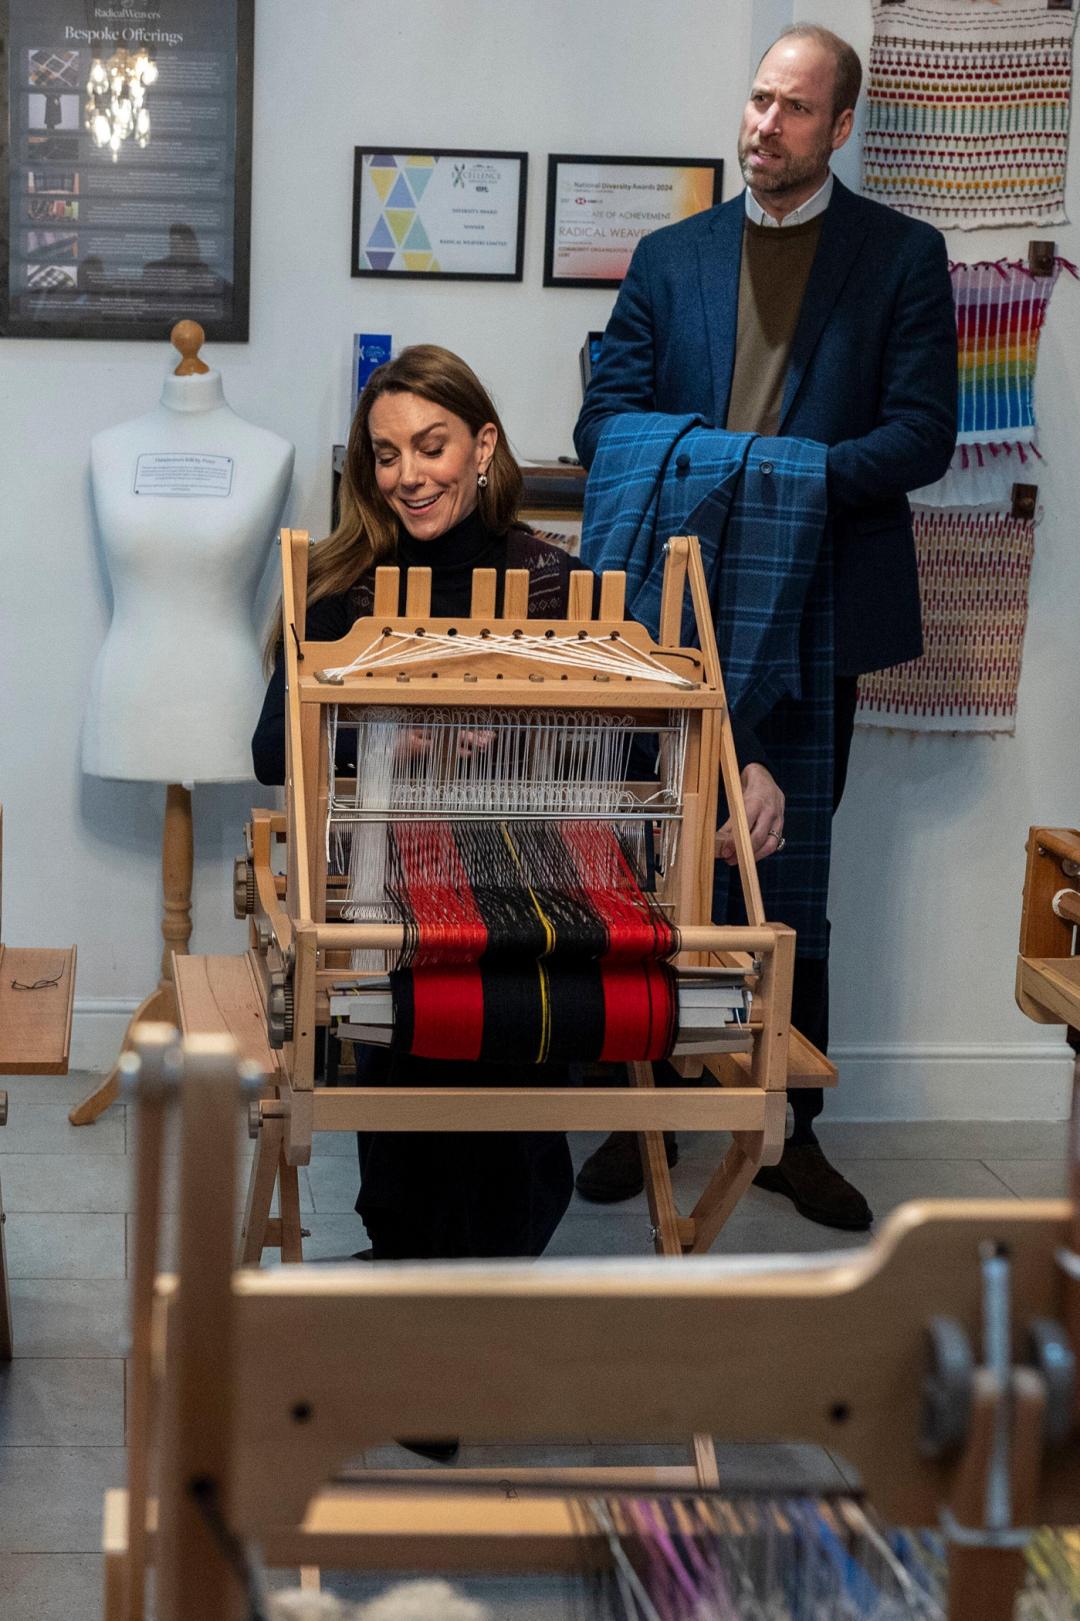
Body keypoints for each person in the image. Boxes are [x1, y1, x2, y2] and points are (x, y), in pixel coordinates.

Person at [572, 25, 958, 1229]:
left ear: (840, 126)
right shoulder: (669, 252)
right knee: (651, 857)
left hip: (819, 603)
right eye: (757, 99)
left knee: (789, 872)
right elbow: (604, 423)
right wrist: (736, 474)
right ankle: (650, 1106)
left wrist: (773, 480)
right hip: (670, 603)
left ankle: (795, 1129)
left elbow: (920, 438)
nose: (764, 125)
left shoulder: (902, 257)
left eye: (795, 108)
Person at [254, 344, 597, 1275]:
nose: (408, 475)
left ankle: (452, 1297)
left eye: (431, 446)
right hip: (384, 898)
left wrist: (529, 733)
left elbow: (639, 744)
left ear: (483, 446)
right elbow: (267, 749)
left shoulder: (556, 583)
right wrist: (386, 737)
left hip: (525, 894)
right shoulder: (339, 588)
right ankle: (423, 1288)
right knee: (409, 1104)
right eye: (386, 453)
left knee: (515, 1152)